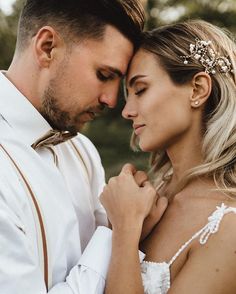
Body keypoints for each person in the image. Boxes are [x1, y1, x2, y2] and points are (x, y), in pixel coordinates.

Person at [0, 0, 148, 293]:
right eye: (104, 75)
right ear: (47, 47)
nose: (111, 100)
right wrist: (118, 232)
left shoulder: (83, 152)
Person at [100, 19, 236, 293]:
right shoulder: (150, 196)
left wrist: (125, 231)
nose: (127, 111)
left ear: (198, 89)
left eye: (140, 90)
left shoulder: (228, 227)